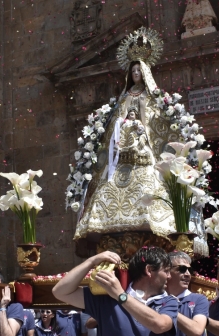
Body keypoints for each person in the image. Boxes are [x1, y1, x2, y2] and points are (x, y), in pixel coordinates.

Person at [73, 33, 174, 243]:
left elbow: (153, 123)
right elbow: (117, 119)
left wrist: (141, 130)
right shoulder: (125, 97)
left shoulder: (149, 97)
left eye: (139, 71)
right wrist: (121, 129)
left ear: (145, 73)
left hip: (142, 144)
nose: (136, 74)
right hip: (123, 147)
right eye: (133, 71)